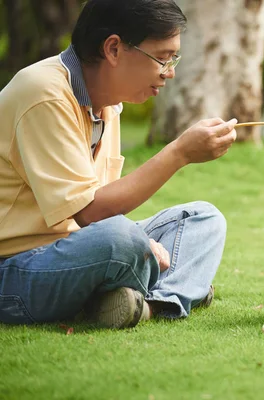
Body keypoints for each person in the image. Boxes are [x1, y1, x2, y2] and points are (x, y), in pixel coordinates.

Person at [0, 0, 237, 328]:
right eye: (163, 58)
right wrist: (178, 153)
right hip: (15, 268)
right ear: (113, 49)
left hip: (73, 246)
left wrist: (136, 241)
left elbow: (98, 216)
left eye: (174, 59)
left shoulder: (108, 105)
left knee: (203, 219)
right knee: (121, 239)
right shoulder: (44, 94)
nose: (170, 72)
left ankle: (150, 304)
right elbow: (89, 213)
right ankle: (181, 289)